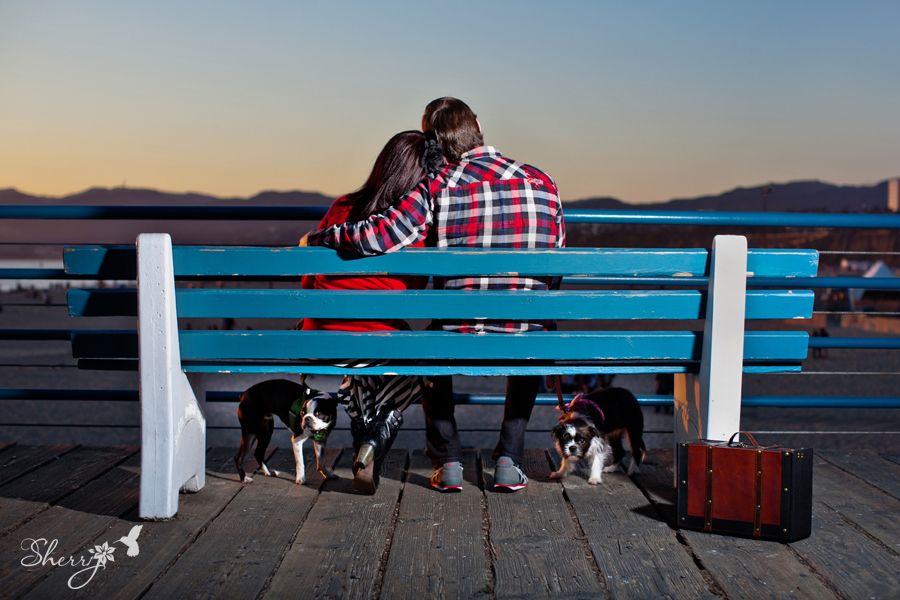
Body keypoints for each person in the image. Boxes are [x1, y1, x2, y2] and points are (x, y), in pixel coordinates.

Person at [305, 97, 565, 493]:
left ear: (434, 143)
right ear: (477, 123)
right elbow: (556, 265)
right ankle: (510, 459)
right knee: (529, 332)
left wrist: (320, 237)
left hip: (457, 335)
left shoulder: (437, 184)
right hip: (524, 334)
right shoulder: (542, 181)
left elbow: (381, 235)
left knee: (430, 346)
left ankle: (449, 462)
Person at [300, 130, 442, 494]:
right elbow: (418, 287)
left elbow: (308, 279)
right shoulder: (416, 223)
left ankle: (366, 438)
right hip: (378, 339)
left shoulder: (342, 206)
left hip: (320, 337)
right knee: (417, 370)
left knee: (357, 372)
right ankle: (377, 436)